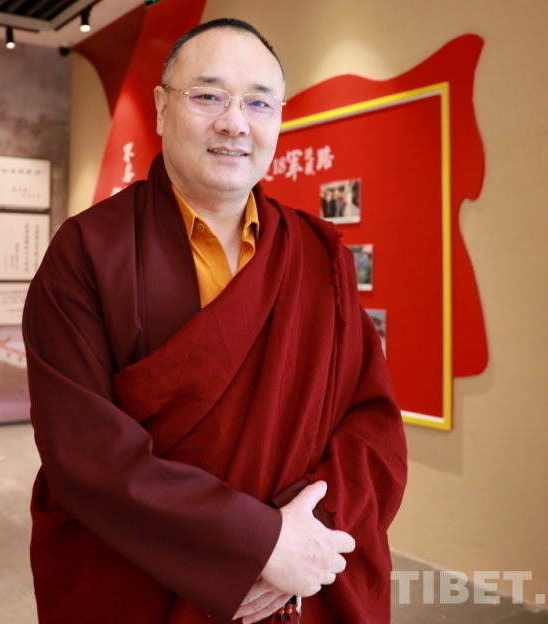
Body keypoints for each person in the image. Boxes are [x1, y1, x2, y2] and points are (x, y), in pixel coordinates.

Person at [22, 18, 407, 624]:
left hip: (300, 580)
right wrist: (258, 544)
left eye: (259, 102)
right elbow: (85, 452)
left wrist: (308, 537)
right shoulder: (88, 252)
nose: (235, 122)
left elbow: (372, 423)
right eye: (208, 96)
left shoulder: (317, 254)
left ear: (278, 118)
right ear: (161, 108)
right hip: (144, 580)